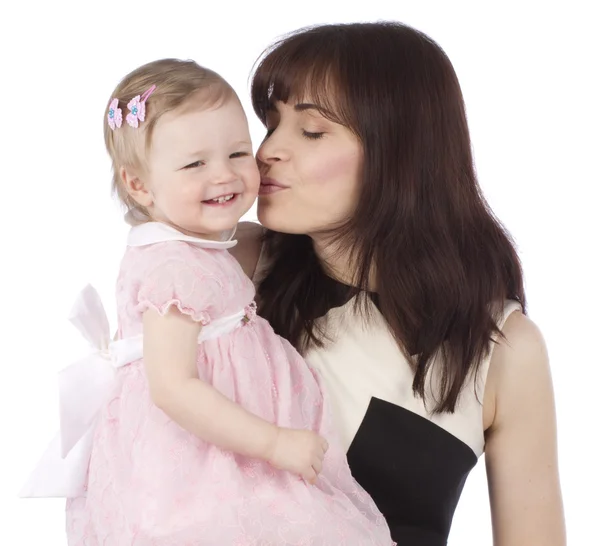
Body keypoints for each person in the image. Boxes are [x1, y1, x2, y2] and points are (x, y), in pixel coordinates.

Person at [20, 58, 394, 545]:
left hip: (229, 442)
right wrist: (274, 442)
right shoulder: (174, 268)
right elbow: (173, 388)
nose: (225, 175)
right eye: (195, 163)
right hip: (198, 457)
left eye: (238, 153)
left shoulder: (207, 247)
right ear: (139, 184)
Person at [230, 22, 566, 546]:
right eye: (272, 124)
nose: (269, 149)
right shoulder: (235, 270)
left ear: (400, 152)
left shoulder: (503, 348)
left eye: (312, 131)